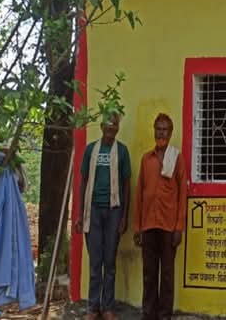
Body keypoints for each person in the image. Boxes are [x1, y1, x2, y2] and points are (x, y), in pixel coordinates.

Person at [75, 114, 132, 320]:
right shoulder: (90, 150)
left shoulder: (122, 151)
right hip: (93, 211)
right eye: (108, 123)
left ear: (118, 128)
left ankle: (107, 307)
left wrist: (124, 216)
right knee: (95, 262)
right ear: (101, 126)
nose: (111, 127)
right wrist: (80, 213)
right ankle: (93, 307)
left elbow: (126, 185)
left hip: (114, 211)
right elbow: (83, 181)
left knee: (109, 261)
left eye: (114, 124)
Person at [133, 113, 187, 320]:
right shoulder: (146, 159)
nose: (161, 133)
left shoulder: (176, 158)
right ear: (154, 131)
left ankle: (164, 315)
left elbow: (183, 194)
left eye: (165, 130)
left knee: (167, 275)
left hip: (168, 226)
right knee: (149, 274)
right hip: (148, 225)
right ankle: (149, 314)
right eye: (158, 129)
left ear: (170, 133)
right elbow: (140, 193)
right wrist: (137, 227)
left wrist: (179, 227)